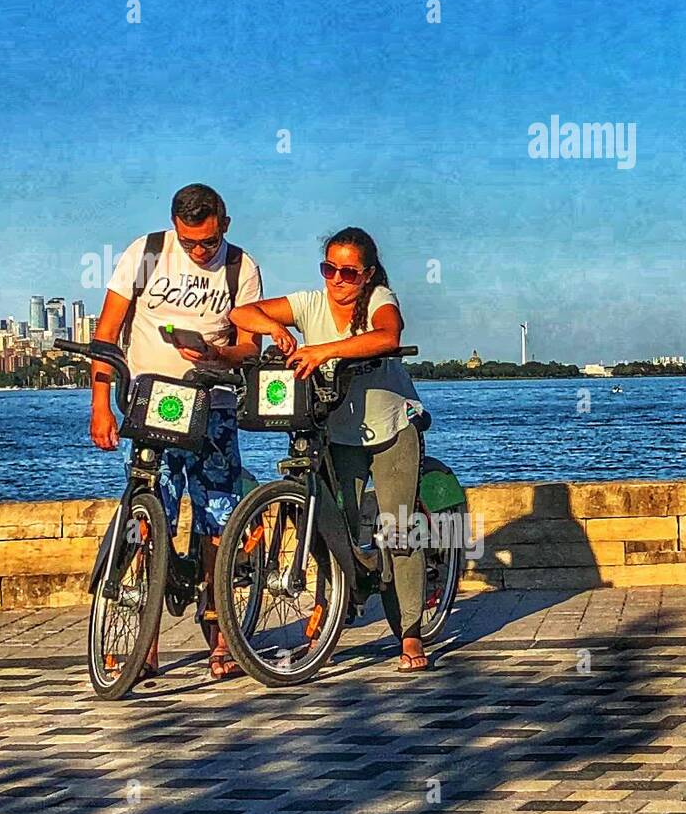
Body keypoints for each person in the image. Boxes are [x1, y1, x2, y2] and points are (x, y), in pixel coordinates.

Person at [229, 226, 430, 671]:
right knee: (329, 525)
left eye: (348, 272)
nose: (336, 280)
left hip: (389, 426)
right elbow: (242, 312)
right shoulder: (309, 303)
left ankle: (411, 633)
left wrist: (322, 351)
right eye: (329, 269)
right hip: (334, 431)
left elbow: (388, 336)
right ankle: (336, 610)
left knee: (398, 528)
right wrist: (276, 332)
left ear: (367, 274)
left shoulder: (378, 299)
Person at [89, 183, 263, 680]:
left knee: (218, 519)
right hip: (153, 404)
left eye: (208, 241)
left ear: (224, 225)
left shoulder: (241, 268)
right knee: (149, 520)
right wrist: (101, 404)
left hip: (214, 401)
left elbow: (249, 345)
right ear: (174, 228)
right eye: (190, 243)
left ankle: (221, 633)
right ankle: (146, 646)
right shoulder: (144, 254)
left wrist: (218, 355)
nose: (200, 251)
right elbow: (106, 337)